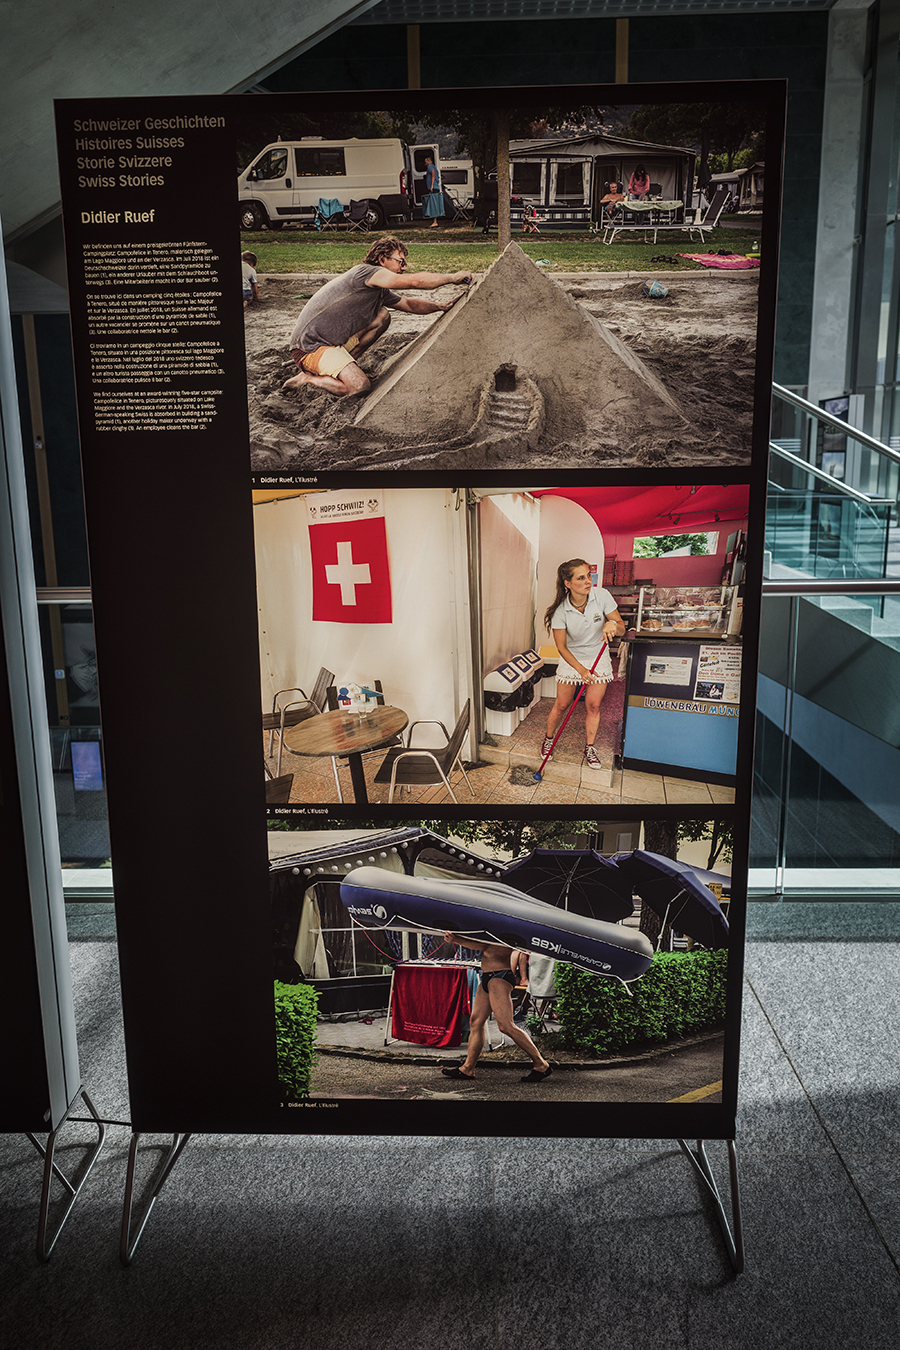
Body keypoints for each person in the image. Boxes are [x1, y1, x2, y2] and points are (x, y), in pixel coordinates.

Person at [283, 236, 471, 398]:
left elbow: (408, 304)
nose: (404, 268)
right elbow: (413, 282)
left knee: (382, 315)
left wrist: (439, 307)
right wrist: (451, 278)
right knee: (359, 386)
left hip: (331, 343)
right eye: (401, 262)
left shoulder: (378, 289)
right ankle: (307, 379)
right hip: (310, 348)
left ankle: (342, 367)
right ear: (382, 260)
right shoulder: (366, 273)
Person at [542, 559, 625, 771]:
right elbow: (562, 647)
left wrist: (612, 624)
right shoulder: (560, 611)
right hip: (573, 659)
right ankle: (549, 739)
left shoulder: (602, 596)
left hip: (598, 656)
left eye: (589, 575)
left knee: (593, 705)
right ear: (568, 583)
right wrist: (581, 670)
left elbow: (622, 628)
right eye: (581, 578)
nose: (588, 581)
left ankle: (589, 748)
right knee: (562, 705)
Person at [440, 933, 552, 1084]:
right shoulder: (492, 929)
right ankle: (468, 1068)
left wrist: (457, 939)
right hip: (488, 975)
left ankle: (541, 1064)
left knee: (506, 1026)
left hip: (500, 976)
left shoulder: (506, 930)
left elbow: (485, 947)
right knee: (476, 1022)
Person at [422, 155, 443, 229]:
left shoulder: (430, 167)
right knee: (434, 204)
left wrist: (431, 186)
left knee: (433, 204)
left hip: (433, 188)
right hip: (435, 187)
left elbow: (433, 174)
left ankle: (435, 222)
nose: (425, 164)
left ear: (429, 161)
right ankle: (434, 221)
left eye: (426, 162)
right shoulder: (434, 167)